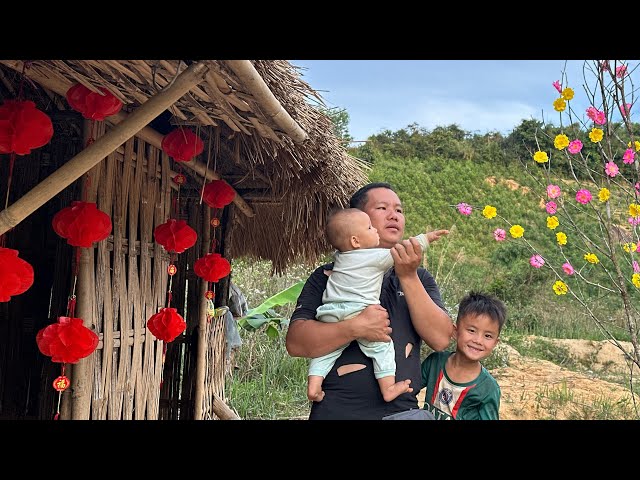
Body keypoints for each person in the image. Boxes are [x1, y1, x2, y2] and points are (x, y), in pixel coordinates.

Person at [286, 182, 454, 420]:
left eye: (399, 210)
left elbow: (440, 339)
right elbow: (296, 343)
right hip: (336, 410)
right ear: (356, 221)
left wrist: (407, 275)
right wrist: (355, 327)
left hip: (401, 412)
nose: (394, 215)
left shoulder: (419, 276)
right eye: (382, 208)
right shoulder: (328, 276)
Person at [308, 207, 449, 403]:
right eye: (369, 227)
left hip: (330, 312)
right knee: (382, 348)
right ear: (356, 241)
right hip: (358, 311)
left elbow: (441, 339)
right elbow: (402, 250)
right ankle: (389, 387)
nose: (374, 230)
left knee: (326, 352)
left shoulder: (339, 258)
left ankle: (314, 385)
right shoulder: (373, 257)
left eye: (399, 209)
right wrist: (426, 238)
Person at [420, 291, 506, 420]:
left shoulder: (488, 388)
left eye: (487, 336)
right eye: (471, 330)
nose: (478, 340)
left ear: (495, 343)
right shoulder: (435, 362)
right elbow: (408, 390)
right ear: (455, 331)